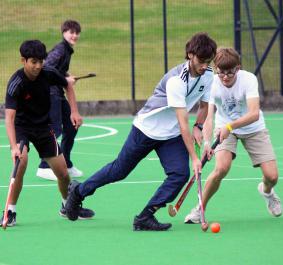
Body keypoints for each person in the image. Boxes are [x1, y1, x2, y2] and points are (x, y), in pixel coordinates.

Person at [64, 32, 217, 231]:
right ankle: (78, 191)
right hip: (146, 129)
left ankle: (145, 217)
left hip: (170, 135)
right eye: (201, 61)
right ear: (190, 54)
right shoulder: (176, 80)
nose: (204, 65)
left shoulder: (208, 75)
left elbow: (204, 107)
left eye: (208, 61)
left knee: (179, 174)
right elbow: (182, 123)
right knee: (119, 170)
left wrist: (199, 127)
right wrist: (195, 158)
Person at [0, 40, 94, 227]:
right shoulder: (16, 83)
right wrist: (14, 147)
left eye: (41, 61)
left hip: (43, 127)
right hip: (21, 128)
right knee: (21, 163)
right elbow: (9, 119)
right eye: (33, 61)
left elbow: (68, 85)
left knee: (63, 174)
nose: (38, 66)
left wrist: (74, 111)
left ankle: (67, 206)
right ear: (23, 60)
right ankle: (10, 211)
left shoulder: (48, 73)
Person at [184, 47, 283, 224]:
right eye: (221, 73)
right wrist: (207, 143)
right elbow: (208, 117)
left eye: (230, 73)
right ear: (215, 69)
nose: (225, 77)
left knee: (272, 177)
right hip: (224, 128)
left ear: (238, 68)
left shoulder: (248, 79)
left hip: (253, 128)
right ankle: (200, 209)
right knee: (221, 168)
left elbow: (254, 114)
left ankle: (267, 191)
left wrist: (231, 126)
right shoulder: (212, 83)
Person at [36, 20, 84, 181]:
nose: (74, 35)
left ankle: (66, 163)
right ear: (64, 32)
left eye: (77, 32)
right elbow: (46, 67)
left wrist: (66, 76)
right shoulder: (61, 49)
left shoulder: (67, 50)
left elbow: (58, 70)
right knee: (55, 129)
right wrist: (65, 78)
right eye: (71, 32)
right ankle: (44, 166)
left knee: (72, 126)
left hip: (58, 93)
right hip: (49, 93)